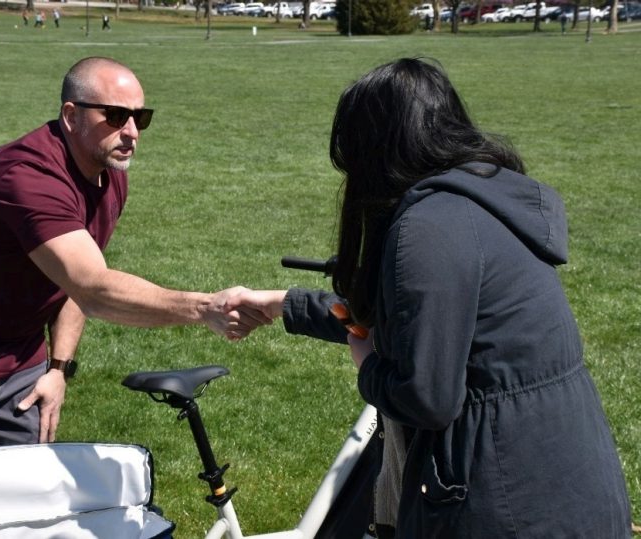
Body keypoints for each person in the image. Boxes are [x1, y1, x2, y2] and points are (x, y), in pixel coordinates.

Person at [228, 58, 632, 538]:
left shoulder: (431, 225)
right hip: (567, 482)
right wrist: (282, 304)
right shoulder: (484, 198)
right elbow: (410, 319)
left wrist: (369, 365)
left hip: (506, 505)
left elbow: (426, 397)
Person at [0, 57, 271, 456]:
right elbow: (93, 289)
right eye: (115, 116)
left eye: (140, 118)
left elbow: (74, 284)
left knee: (19, 502)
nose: (131, 132)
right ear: (71, 116)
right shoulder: (27, 177)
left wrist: (58, 369)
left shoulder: (109, 175)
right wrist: (205, 307)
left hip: (20, 362)